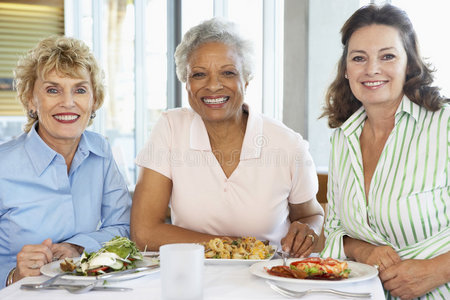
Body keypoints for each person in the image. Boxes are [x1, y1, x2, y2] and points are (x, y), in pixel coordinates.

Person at [131, 18, 324, 257]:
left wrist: (309, 231)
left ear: (246, 79)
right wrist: (237, 248)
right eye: (199, 74)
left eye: (228, 73)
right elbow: (144, 233)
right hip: (191, 275)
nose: (213, 86)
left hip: (267, 278)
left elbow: (310, 215)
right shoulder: (171, 127)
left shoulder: (288, 145)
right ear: (186, 82)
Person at [320, 4, 449, 300]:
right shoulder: (343, 138)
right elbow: (336, 227)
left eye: (387, 56)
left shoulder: (445, 125)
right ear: (347, 70)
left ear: (409, 64)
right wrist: (361, 249)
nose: (372, 69)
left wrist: (437, 270)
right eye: (359, 58)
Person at [0, 36, 131, 287]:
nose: (68, 102)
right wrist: (13, 276)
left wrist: (77, 246)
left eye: (80, 90)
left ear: (94, 100)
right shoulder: (3, 165)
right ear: (31, 100)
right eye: (52, 90)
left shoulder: (100, 151)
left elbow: (123, 227)